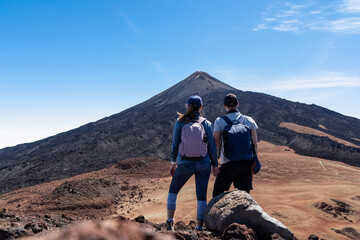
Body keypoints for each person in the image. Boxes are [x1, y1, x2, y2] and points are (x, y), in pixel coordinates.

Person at [166, 95, 219, 231]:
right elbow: (212, 146)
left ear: (187, 106)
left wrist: (173, 163)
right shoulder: (206, 123)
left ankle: (170, 223)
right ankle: (199, 228)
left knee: (173, 191)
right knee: (201, 196)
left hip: (184, 163)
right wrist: (214, 165)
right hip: (203, 164)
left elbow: (175, 144)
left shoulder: (180, 122)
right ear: (201, 107)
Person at [212, 93, 258, 198]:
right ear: (238, 104)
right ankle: (244, 214)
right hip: (246, 162)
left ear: (224, 105)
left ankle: (216, 214)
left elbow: (216, 144)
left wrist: (215, 164)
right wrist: (255, 160)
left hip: (228, 163)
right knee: (245, 195)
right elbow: (255, 144)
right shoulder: (249, 120)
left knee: (217, 192)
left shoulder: (220, 121)